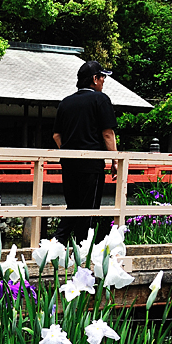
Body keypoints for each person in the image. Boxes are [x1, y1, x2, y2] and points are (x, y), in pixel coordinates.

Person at [52, 60, 118, 244]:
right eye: (102, 76)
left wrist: (69, 151)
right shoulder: (100, 99)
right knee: (89, 210)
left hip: (69, 163)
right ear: (95, 79)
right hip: (91, 163)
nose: (104, 80)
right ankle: (82, 249)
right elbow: (108, 133)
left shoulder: (65, 103)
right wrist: (115, 161)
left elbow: (57, 135)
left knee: (73, 207)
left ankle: (57, 244)